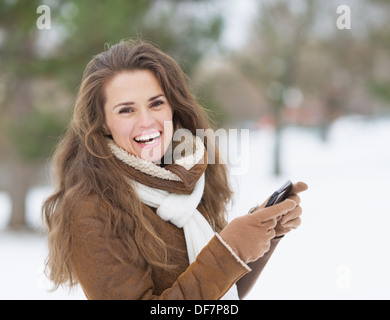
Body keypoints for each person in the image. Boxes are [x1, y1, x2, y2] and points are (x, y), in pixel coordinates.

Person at [42, 40, 308, 300]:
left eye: (156, 103)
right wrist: (230, 249)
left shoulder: (187, 179)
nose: (146, 121)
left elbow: (222, 292)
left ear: (172, 107)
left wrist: (265, 232)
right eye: (126, 110)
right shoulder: (92, 207)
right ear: (102, 124)